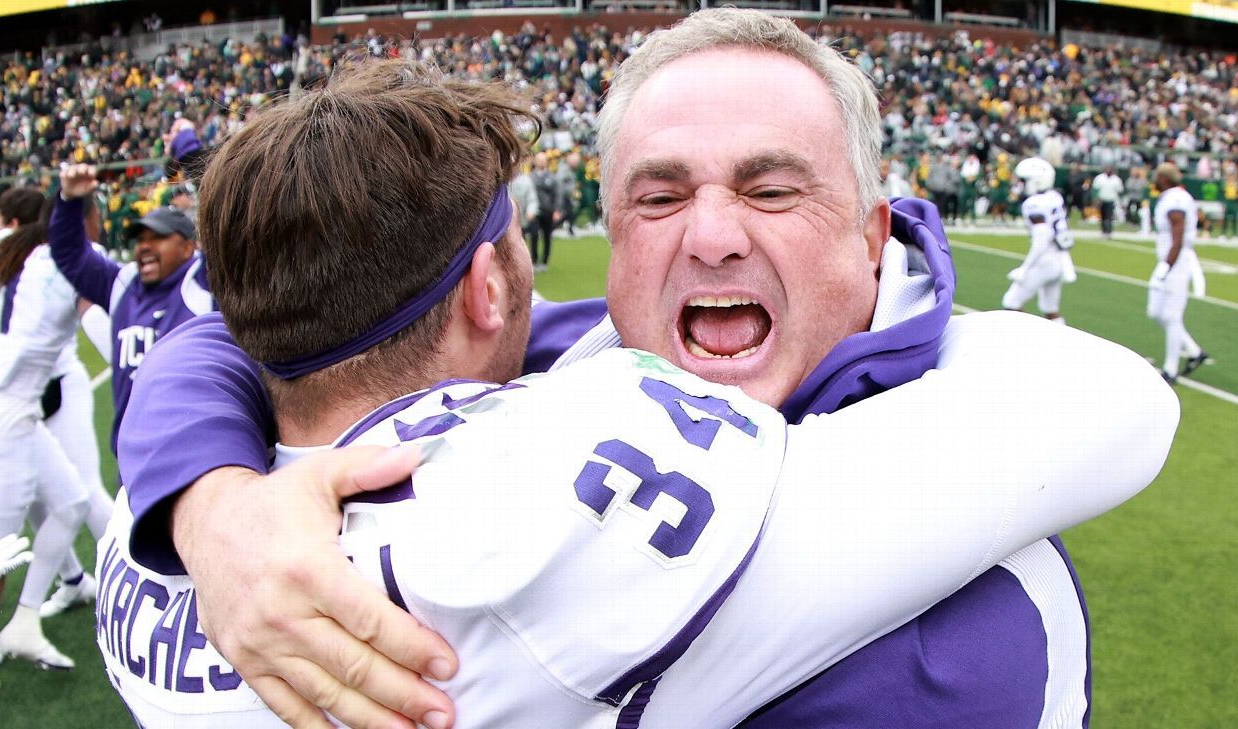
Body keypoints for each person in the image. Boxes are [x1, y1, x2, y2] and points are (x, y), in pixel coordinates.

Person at [115, 10, 1157, 728]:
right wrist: (214, 510)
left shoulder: (947, 624)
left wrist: (206, 503)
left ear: (873, 234)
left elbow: (1116, 406)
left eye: (771, 189)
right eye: (657, 200)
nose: (708, 237)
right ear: (602, 248)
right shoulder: (596, 358)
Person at [0, 187, 91, 708]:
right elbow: (104, 322)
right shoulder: (63, 264)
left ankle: (25, 622)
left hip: (0, 413)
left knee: (70, 503)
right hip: (4, 424)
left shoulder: (0, 254)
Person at [47, 184, 214, 451]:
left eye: (158, 238)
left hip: (197, 451)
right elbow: (69, 253)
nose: (144, 247)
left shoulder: (204, 280)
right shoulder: (123, 284)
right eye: (140, 239)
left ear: (187, 247)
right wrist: (68, 199)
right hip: (134, 457)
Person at [1148, 163, 1209, 383]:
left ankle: (1170, 370)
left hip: (1176, 262)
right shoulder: (1173, 196)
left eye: (1157, 176)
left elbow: (1178, 236)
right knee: (1156, 311)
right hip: (1171, 261)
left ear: (1164, 178)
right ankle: (1194, 351)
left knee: (1172, 316)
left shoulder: (1175, 200)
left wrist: (1166, 266)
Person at [1002, 157, 1076, 325]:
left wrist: (1025, 268)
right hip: (1058, 259)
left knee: (1011, 303)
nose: (1020, 184)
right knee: (1050, 310)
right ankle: (1062, 343)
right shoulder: (1055, 196)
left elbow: (1043, 238)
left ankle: (1035, 341)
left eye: (1023, 180)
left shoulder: (1033, 203)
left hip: (1044, 260)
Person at [1091, 165, 1124, 238]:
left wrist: (1121, 202)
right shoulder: (1100, 178)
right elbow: (1095, 189)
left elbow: (1120, 191)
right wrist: (1096, 199)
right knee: (1103, 216)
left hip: (1111, 200)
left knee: (1109, 217)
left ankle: (1108, 231)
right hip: (1102, 200)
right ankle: (1103, 231)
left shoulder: (1116, 179)